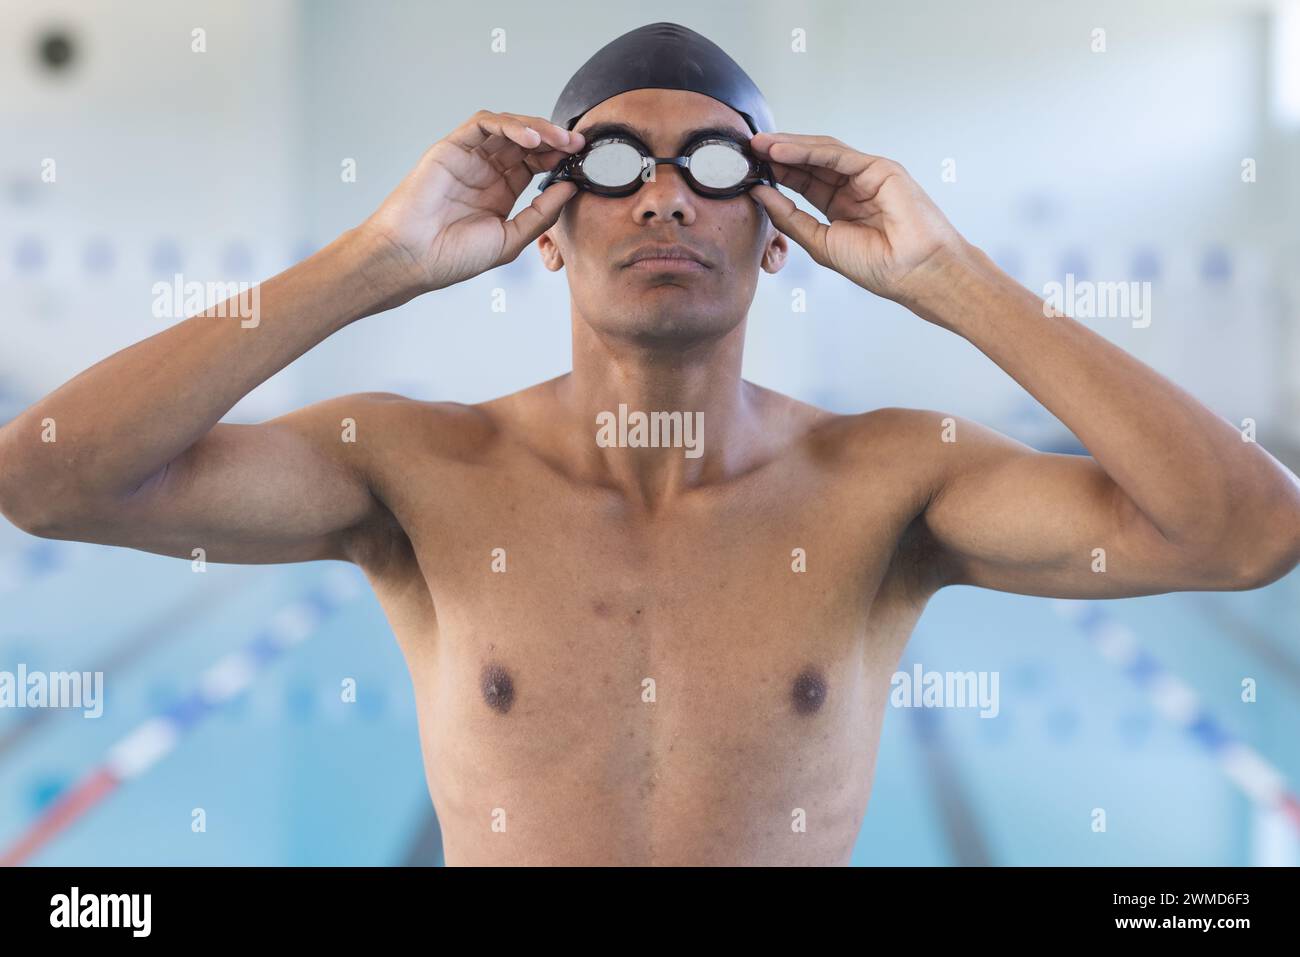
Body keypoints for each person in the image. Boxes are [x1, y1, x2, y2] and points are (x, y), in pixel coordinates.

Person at [0, 22, 1297, 866]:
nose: (667, 195)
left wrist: (951, 275)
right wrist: (375, 260)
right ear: (548, 222)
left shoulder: (891, 484)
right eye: (617, 164)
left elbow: (1249, 531)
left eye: (717, 169)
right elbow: (47, 475)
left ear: (777, 228)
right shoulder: (415, 472)